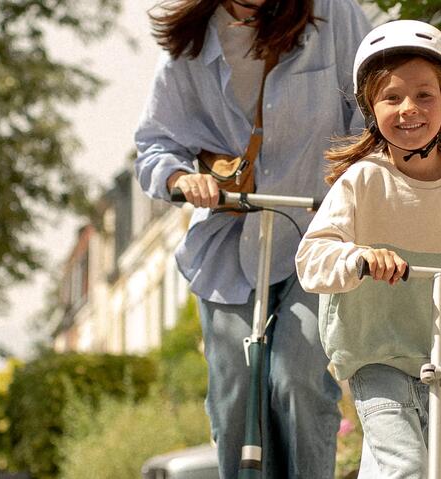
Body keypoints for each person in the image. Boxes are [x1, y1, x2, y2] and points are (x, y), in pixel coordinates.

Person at [133, 0, 370, 476]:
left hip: (320, 236)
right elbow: (154, 144)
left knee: (297, 377)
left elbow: (370, 109)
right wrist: (181, 179)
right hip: (229, 241)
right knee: (234, 394)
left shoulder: (332, 13)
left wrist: (359, 187)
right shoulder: (192, 44)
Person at [293, 20, 441, 478]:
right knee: (404, 464)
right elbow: (313, 259)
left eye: (424, 95)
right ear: (369, 106)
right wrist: (358, 258)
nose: (409, 109)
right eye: (392, 97)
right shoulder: (363, 180)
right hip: (378, 346)